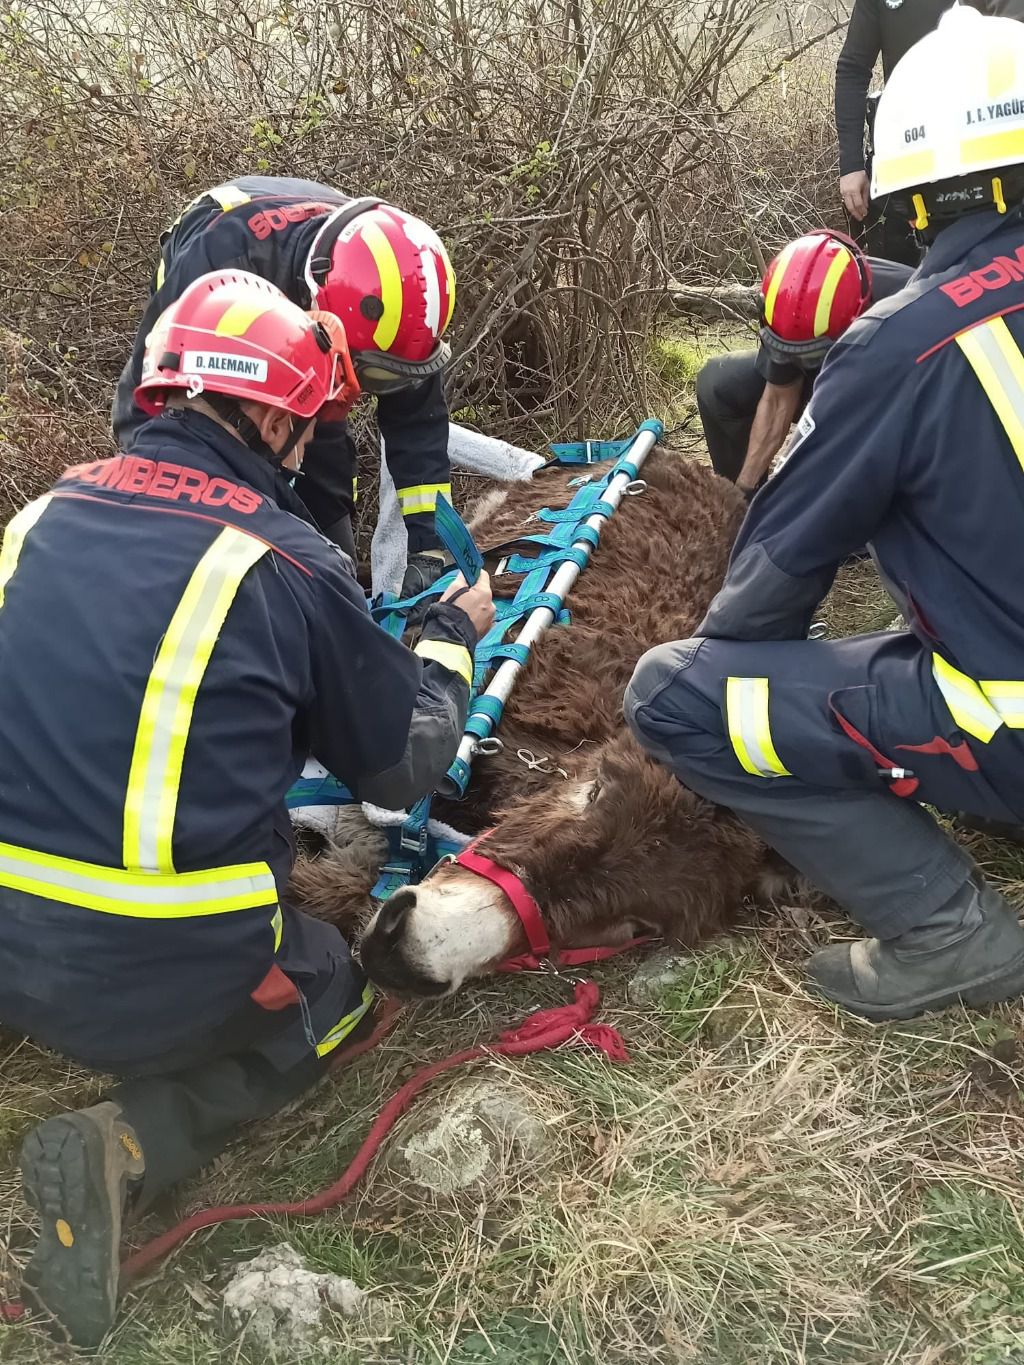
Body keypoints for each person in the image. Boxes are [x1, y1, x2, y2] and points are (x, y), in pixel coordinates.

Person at [2, 270, 494, 1347]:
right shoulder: (284, 561)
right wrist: (449, 649)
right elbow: (399, 770)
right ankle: (132, 1139)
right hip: (167, 975)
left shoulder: (34, 520)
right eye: (307, 423)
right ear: (272, 414)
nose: (307, 443)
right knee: (345, 990)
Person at [626, 6, 1024, 1025]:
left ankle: (944, 931)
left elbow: (759, 609)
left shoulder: (902, 348)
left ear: (912, 193)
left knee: (679, 695)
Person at [113, 176, 458, 597]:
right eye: (368, 376)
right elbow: (146, 409)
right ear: (321, 315)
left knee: (325, 486)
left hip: (317, 313)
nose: (369, 391)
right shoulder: (218, 267)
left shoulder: (398, 305)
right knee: (230, 453)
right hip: (216, 330)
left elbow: (417, 422)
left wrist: (432, 543)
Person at [695, 231, 912, 494]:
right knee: (717, 384)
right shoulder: (789, 303)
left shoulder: (910, 312)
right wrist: (741, 495)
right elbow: (778, 399)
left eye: (809, 354)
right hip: (830, 383)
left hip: (898, 404)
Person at [836, 0, 1024, 265]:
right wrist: (851, 164)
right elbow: (853, 67)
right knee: (904, 274)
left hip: (992, 156)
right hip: (909, 158)